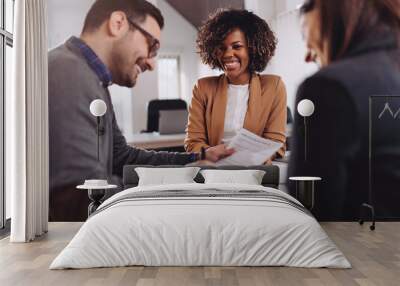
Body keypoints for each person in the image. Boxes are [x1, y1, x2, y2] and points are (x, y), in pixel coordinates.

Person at [48, 0, 233, 222]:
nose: (152, 64)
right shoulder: (69, 74)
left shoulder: (92, 80)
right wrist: (182, 190)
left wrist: (198, 158)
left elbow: (122, 158)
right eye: (152, 45)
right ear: (118, 24)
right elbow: (79, 197)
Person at [288, 0, 400, 220]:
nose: (308, 57)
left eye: (311, 44)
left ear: (332, 20)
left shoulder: (328, 88)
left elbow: (313, 209)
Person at [184, 9, 287, 160]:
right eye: (222, 47)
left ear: (252, 49)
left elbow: (276, 143)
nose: (227, 54)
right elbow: (193, 142)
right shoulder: (202, 88)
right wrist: (213, 156)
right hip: (213, 171)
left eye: (237, 46)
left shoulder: (274, 86)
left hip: (255, 172)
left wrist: (245, 159)